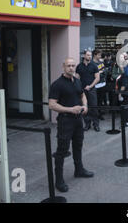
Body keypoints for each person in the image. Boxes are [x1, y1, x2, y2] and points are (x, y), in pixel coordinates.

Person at [49, 57, 94, 193]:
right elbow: (52, 104)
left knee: (78, 145)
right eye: (68, 65)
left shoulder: (77, 81)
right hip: (65, 120)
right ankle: (59, 180)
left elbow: (82, 96)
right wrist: (70, 109)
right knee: (62, 150)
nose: (71, 68)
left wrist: (85, 106)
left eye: (73, 65)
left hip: (77, 120)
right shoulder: (57, 84)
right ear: (63, 66)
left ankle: (79, 170)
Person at [75, 50, 100, 132]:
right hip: (82, 90)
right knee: (85, 107)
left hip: (92, 89)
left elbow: (97, 78)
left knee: (94, 107)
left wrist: (90, 86)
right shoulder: (79, 66)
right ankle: (87, 124)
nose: (90, 56)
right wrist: (79, 87)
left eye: (90, 55)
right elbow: (77, 78)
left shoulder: (94, 66)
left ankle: (96, 124)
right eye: (88, 55)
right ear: (84, 56)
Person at [93, 50, 107, 121]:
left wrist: (99, 72)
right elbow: (92, 74)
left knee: (100, 101)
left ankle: (100, 114)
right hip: (95, 85)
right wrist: (99, 72)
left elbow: (104, 72)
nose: (100, 56)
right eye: (98, 55)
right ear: (95, 55)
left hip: (102, 84)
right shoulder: (92, 64)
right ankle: (95, 115)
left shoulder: (101, 63)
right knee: (95, 101)